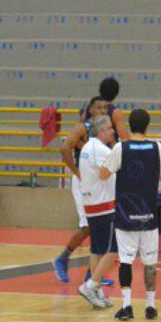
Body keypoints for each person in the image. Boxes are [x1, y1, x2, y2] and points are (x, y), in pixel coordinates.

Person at [103, 109, 161, 321]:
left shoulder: (121, 148)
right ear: (148, 126)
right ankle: (150, 307)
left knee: (126, 259)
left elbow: (104, 173)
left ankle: (127, 305)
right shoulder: (156, 147)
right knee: (150, 261)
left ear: (129, 126)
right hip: (148, 213)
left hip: (125, 212)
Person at [52, 96, 106, 284]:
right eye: (99, 107)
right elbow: (65, 147)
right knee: (88, 225)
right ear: (90, 110)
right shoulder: (82, 127)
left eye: (105, 108)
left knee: (100, 224)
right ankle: (63, 258)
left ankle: (92, 274)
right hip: (83, 181)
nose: (103, 111)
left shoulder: (104, 130)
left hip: (98, 181)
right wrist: (75, 171)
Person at [76, 114, 118, 310]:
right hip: (103, 205)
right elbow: (104, 173)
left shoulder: (87, 147)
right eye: (109, 128)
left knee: (97, 249)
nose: (113, 131)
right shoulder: (100, 150)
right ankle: (91, 285)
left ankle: (97, 289)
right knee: (112, 249)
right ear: (100, 131)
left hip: (93, 204)